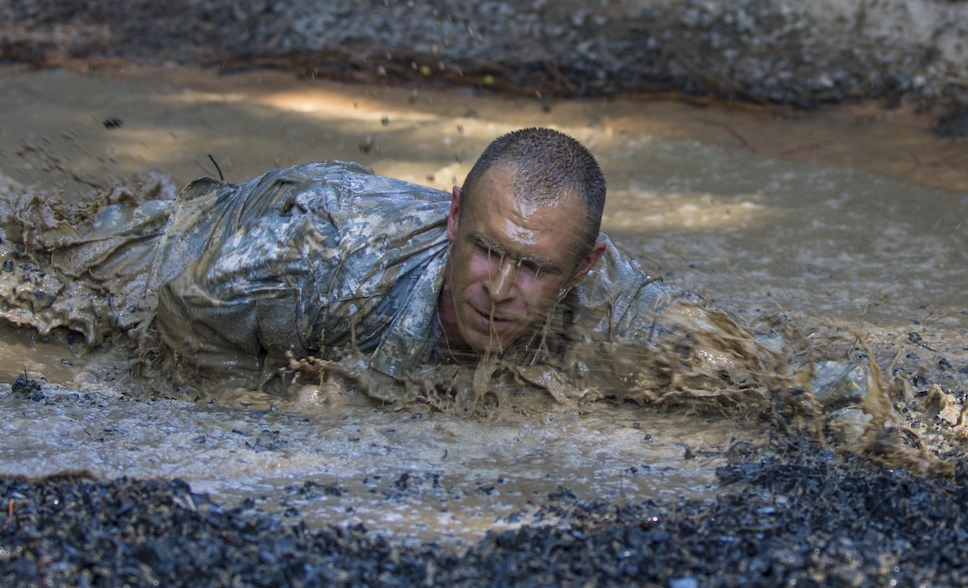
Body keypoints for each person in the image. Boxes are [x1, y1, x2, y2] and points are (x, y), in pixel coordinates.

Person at [1, 128, 703, 384]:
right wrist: (266, 401)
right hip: (184, 246)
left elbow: (755, 367)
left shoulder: (615, 302)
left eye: (538, 268)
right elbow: (190, 297)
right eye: (488, 251)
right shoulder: (330, 253)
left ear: (584, 266)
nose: (501, 287)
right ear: (455, 214)